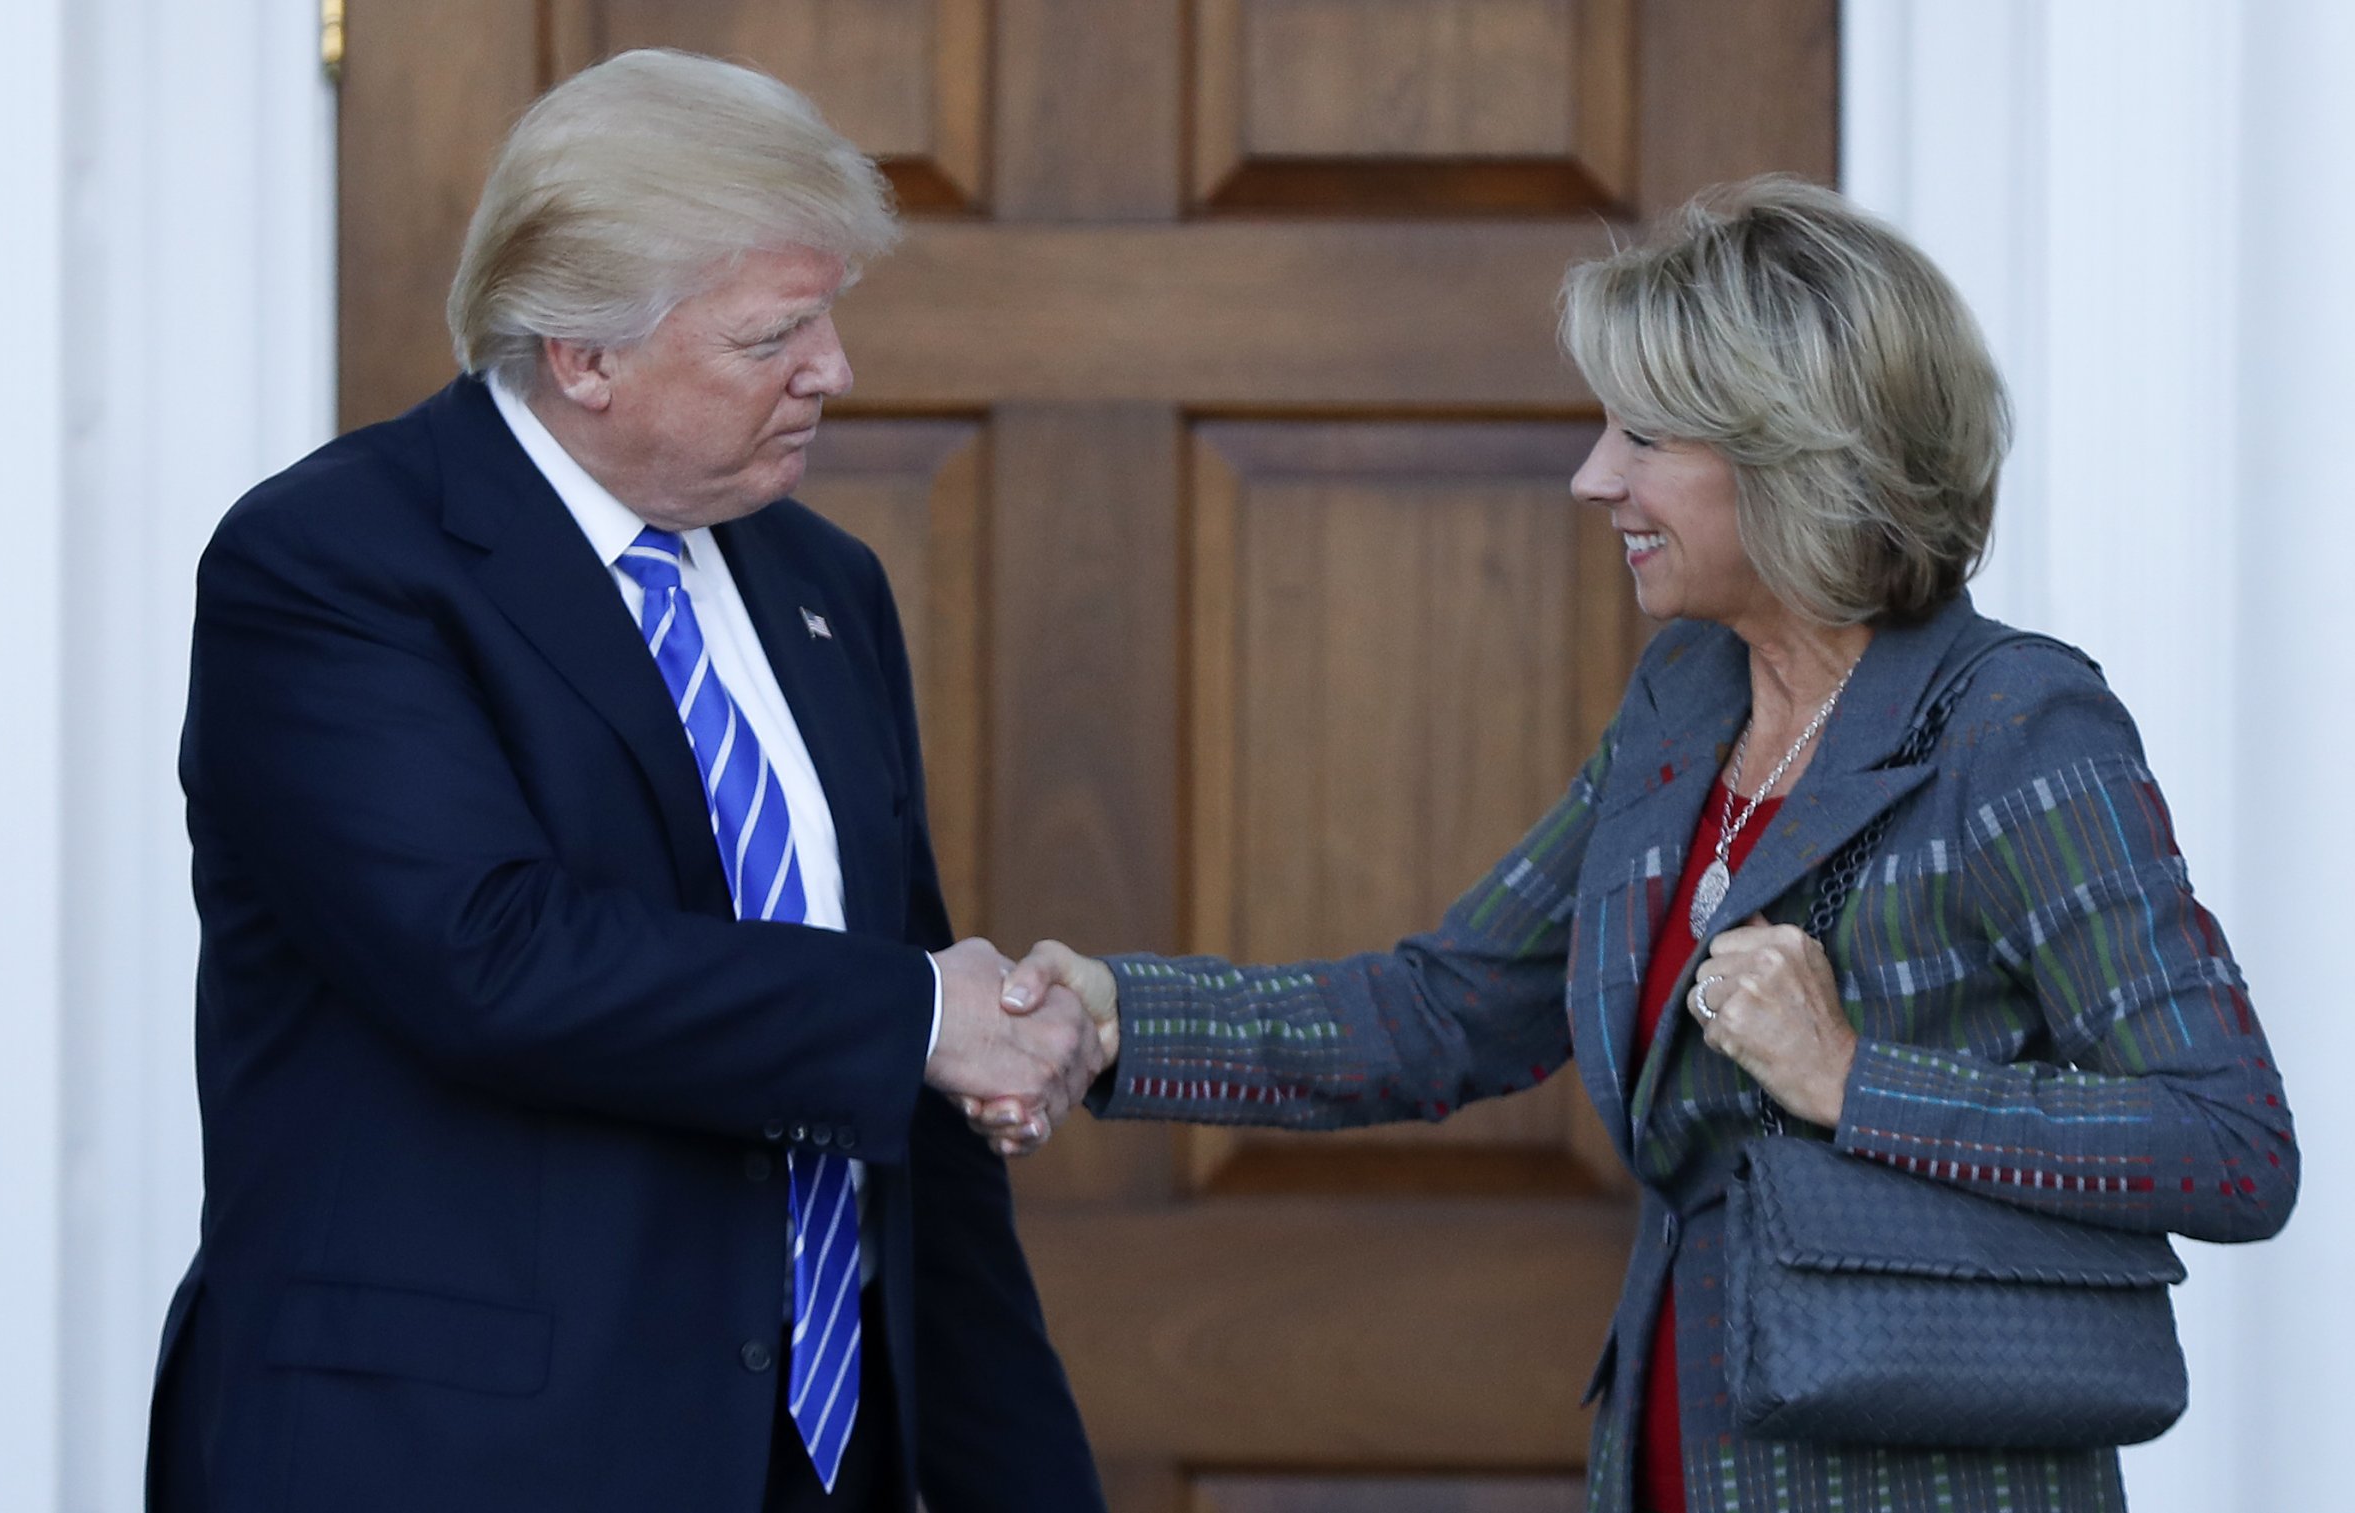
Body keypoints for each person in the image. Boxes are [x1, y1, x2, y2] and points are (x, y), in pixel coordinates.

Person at [982, 177, 2298, 1513]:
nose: (1592, 475)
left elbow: (2226, 1141)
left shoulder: (2018, 726)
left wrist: (1851, 1078)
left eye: (1645, 436)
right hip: (1677, 1455)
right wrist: (1112, 1017)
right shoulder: (1689, 698)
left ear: (1800, 455)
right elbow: (1451, 1007)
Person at [146, 49, 1107, 1513]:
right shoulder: (333, 566)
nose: (833, 369)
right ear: (582, 354)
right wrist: (922, 1013)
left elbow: (908, 1076)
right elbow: (492, 957)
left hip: (807, 1457)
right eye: (774, 332)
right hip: (458, 1464)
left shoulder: (822, 584)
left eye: (829, 317)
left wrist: (1017, 1476)